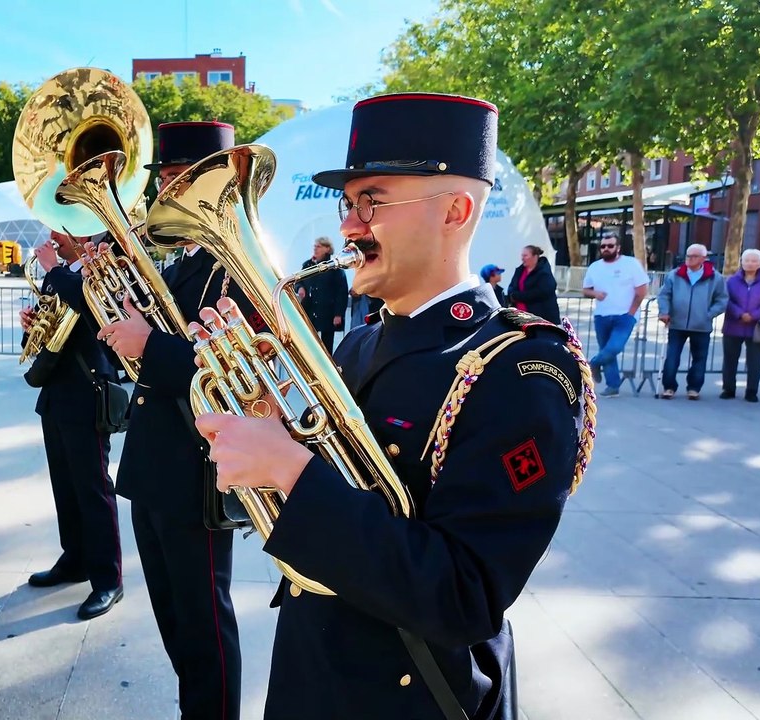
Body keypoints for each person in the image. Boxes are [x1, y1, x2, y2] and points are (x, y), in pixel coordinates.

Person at [193, 93, 593, 720]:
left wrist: (291, 474)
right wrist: (271, 436)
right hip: (315, 663)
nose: (350, 225)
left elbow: (465, 595)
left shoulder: (521, 372)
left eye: (372, 201)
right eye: (348, 203)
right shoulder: (359, 341)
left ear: (456, 210)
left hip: (412, 697)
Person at [89, 121, 267, 719]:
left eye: (172, 180)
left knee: (204, 620)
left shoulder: (234, 262)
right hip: (155, 463)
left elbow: (238, 364)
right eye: (162, 180)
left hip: (196, 469)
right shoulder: (186, 261)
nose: (162, 194)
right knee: (175, 616)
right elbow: (165, 338)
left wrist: (149, 343)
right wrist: (129, 318)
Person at [22, 231, 124, 620]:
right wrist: (32, 326)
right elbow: (49, 333)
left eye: (59, 229)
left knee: (94, 488)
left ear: (81, 232)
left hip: (87, 392)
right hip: (56, 392)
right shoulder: (64, 276)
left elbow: (90, 305)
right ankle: (75, 558)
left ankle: (108, 579)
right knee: (64, 485)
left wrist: (51, 271)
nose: (51, 238)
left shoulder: (102, 268)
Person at [656, 243, 728, 400]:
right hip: (676, 323)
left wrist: (708, 315)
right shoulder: (675, 274)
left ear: (703, 258)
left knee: (699, 358)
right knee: (672, 356)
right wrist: (664, 311)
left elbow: (722, 300)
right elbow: (664, 295)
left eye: (694, 256)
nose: (689, 259)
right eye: (688, 255)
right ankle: (669, 387)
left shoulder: (715, 277)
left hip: (701, 326)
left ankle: (694, 388)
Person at [581, 234, 649, 397]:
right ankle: (613, 386)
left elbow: (642, 290)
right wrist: (595, 293)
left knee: (614, 348)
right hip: (602, 315)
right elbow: (585, 290)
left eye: (610, 246)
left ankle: (593, 364)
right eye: (603, 246)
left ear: (618, 247)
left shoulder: (631, 264)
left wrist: (630, 313)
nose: (606, 249)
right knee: (606, 350)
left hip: (624, 316)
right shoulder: (595, 267)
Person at [721, 248, 760, 402]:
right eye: (746, 260)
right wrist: (740, 313)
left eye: (754, 261)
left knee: (755, 361)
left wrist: (753, 315)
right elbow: (726, 300)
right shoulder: (732, 280)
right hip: (733, 325)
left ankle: (752, 390)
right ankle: (728, 388)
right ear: (742, 261)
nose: (750, 264)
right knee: (730, 359)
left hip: (757, 327)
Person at [296, 236, 349, 351]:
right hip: (310, 309)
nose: (315, 249)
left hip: (328, 311)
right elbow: (298, 281)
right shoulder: (308, 265)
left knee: (327, 344)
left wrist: (338, 314)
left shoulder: (334, 267)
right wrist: (300, 288)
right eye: (314, 246)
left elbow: (342, 292)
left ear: (327, 249)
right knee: (309, 341)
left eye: (319, 246)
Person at [505, 245, 560, 323]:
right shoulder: (519, 270)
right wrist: (511, 295)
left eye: (525, 255)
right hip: (520, 316)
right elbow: (512, 286)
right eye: (522, 255)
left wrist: (517, 296)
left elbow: (542, 292)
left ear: (535, 256)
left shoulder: (544, 273)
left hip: (541, 316)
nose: (522, 258)